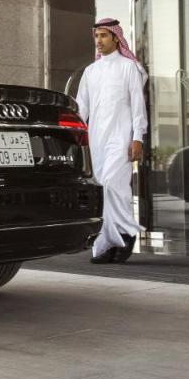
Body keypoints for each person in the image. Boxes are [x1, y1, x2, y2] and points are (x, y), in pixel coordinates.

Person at [76, 18, 147, 264]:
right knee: (101, 190)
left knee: (114, 187)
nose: (99, 41)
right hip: (96, 141)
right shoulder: (90, 71)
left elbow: (138, 106)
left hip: (121, 139)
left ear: (116, 38)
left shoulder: (129, 67)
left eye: (104, 35)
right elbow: (81, 108)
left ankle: (125, 235)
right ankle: (107, 243)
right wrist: (77, 137)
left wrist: (137, 138)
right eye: (96, 36)